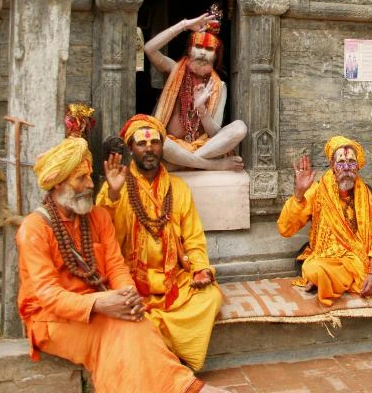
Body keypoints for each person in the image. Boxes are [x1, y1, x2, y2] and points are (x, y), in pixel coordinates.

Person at [17, 136, 225, 393]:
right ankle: (187, 388)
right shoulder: (34, 229)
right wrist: (100, 303)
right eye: (81, 179)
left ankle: (185, 387)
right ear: (58, 184)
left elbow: (116, 266)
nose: (90, 184)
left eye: (89, 177)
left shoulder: (98, 217)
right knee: (118, 330)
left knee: (139, 322)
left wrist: (127, 295)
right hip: (51, 319)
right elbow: (47, 295)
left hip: (102, 304)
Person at [97, 114, 222, 371]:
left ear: (162, 146)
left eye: (154, 142)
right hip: (130, 280)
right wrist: (111, 193)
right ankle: (165, 357)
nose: (149, 148)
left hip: (172, 279)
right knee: (126, 311)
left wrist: (199, 268)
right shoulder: (116, 187)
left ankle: (162, 353)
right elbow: (102, 233)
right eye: (141, 144)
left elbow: (194, 237)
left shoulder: (178, 188)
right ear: (131, 147)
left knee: (210, 297)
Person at [277, 135, 372, 307]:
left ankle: (341, 285)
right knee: (314, 270)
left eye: (351, 162)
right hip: (330, 261)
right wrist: (298, 195)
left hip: (361, 262)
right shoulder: (317, 191)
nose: (346, 167)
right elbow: (285, 229)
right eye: (341, 162)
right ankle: (344, 283)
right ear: (333, 166)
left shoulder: (367, 194)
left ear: (358, 166)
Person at [144, 4, 246, 171]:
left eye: (209, 49)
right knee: (157, 138)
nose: (203, 53)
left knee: (239, 127)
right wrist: (184, 25)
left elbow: (215, 134)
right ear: (189, 50)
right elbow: (149, 49)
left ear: (215, 55)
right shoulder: (173, 69)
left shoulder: (219, 86)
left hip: (202, 148)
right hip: (171, 148)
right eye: (198, 47)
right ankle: (211, 166)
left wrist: (202, 110)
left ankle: (183, 163)